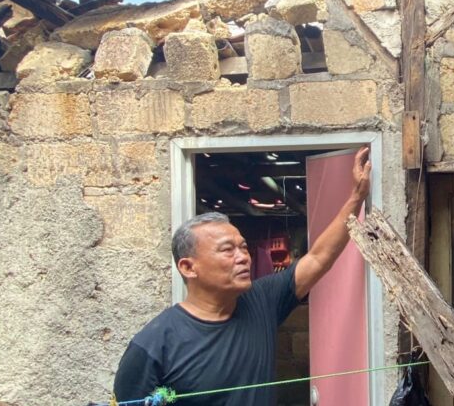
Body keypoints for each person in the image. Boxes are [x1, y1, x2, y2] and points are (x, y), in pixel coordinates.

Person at [113, 147, 372, 405]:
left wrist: (356, 198)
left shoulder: (262, 300)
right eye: (227, 250)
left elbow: (317, 258)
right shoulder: (154, 345)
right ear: (188, 267)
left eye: (243, 247)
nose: (242, 257)